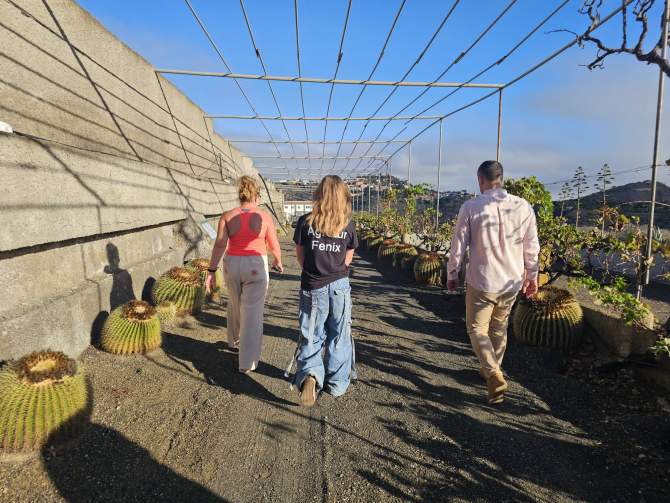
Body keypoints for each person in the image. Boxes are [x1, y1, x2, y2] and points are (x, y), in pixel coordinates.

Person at [447, 160, 539, 405]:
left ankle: (493, 374)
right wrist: (532, 276)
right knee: (499, 327)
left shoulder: (471, 207)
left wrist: (452, 273)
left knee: (477, 329)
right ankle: (491, 369)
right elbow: (532, 246)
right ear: (501, 178)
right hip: (511, 281)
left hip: (482, 279)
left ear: (481, 180)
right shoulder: (523, 206)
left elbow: (458, 245)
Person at [290, 175, 358, 407]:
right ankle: (336, 384)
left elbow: (300, 257)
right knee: (339, 334)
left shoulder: (305, 222)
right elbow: (348, 258)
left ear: (318, 194)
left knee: (312, 333)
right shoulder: (347, 224)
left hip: (313, 286)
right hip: (339, 286)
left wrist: (314, 271)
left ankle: (311, 375)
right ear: (343, 196)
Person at [205, 175, 283, 373]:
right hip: (255, 264)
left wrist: (211, 270)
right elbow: (273, 243)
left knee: (234, 303)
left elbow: (220, 244)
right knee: (252, 313)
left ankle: (233, 340)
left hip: (232, 264)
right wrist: (278, 260)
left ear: (240, 195)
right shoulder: (264, 216)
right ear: (257, 195)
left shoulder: (227, 216)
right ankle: (246, 363)